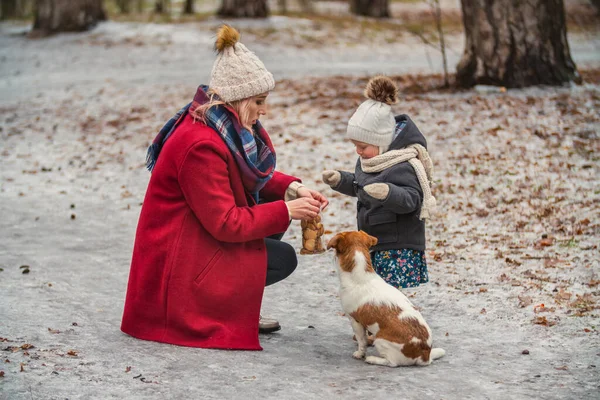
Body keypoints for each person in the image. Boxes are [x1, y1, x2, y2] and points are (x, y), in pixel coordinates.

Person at [121, 25, 328, 350]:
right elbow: (226, 223)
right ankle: (226, 309)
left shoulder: (218, 124)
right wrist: (287, 209)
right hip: (176, 271)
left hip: (191, 240)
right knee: (282, 257)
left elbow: (242, 174)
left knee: (274, 225)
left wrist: (293, 190)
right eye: (259, 101)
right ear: (239, 99)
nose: (264, 110)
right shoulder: (200, 145)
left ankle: (236, 306)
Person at [322, 76, 435, 289]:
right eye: (356, 145)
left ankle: (395, 321)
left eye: (363, 146)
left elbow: (411, 200)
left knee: (389, 294)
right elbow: (361, 186)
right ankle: (382, 320)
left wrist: (387, 192)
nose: (358, 151)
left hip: (398, 245)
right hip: (376, 241)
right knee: (377, 292)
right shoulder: (370, 161)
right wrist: (340, 180)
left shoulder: (403, 163)